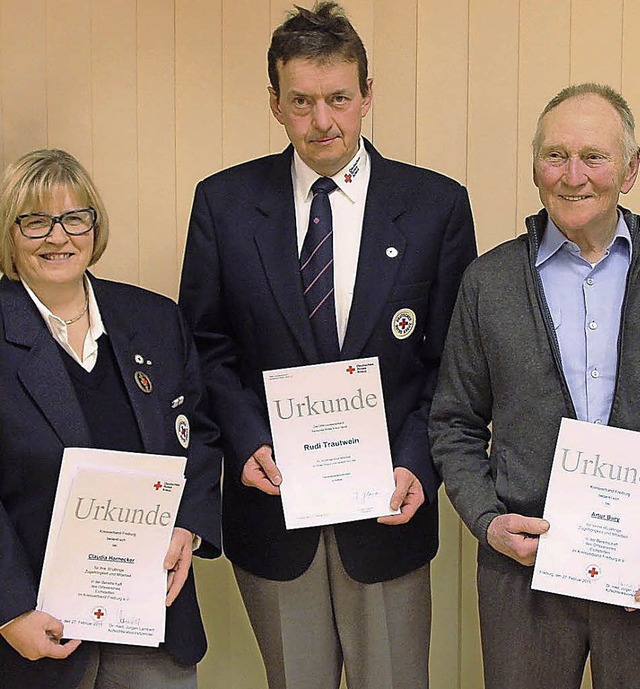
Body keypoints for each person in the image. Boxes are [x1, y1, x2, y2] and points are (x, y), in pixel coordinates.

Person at [178, 2, 476, 687]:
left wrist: (414, 463)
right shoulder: (224, 204)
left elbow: (453, 365)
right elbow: (205, 345)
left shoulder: (436, 206)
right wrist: (246, 437)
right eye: (303, 101)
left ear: (367, 95)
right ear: (275, 103)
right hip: (273, 508)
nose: (323, 122)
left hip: (387, 512)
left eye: (340, 98)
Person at [429, 82, 640, 689]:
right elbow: (454, 423)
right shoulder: (488, 283)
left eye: (594, 156)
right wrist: (488, 520)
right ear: (535, 168)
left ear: (629, 171)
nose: (573, 175)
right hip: (524, 571)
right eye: (555, 155)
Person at [0, 148, 222, 689]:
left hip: (151, 616)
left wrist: (189, 527)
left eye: (75, 218)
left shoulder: (154, 319)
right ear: (10, 234)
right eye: (35, 222)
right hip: (35, 628)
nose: (58, 237)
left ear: (94, 226)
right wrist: (9, 610)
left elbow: (201, 433)